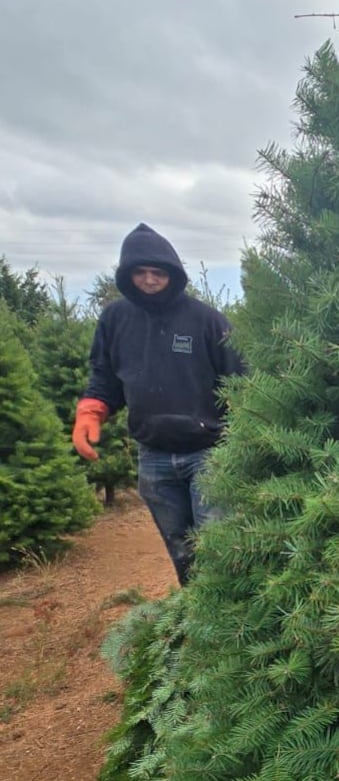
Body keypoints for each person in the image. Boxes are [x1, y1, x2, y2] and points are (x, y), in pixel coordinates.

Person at [72, 223, 244, 585]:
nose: (150, 280)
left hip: (208, 453)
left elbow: (240, 380)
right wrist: (91, 410)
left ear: (172, 274)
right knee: (180, 547)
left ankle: (226, 619)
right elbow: (104, 375)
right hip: (153, 456)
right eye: (140, 272)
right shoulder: (115, 320)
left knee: (216, 544)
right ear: (127, 275)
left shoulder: (206, 320)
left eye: (158, 273)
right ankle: (194, 617)